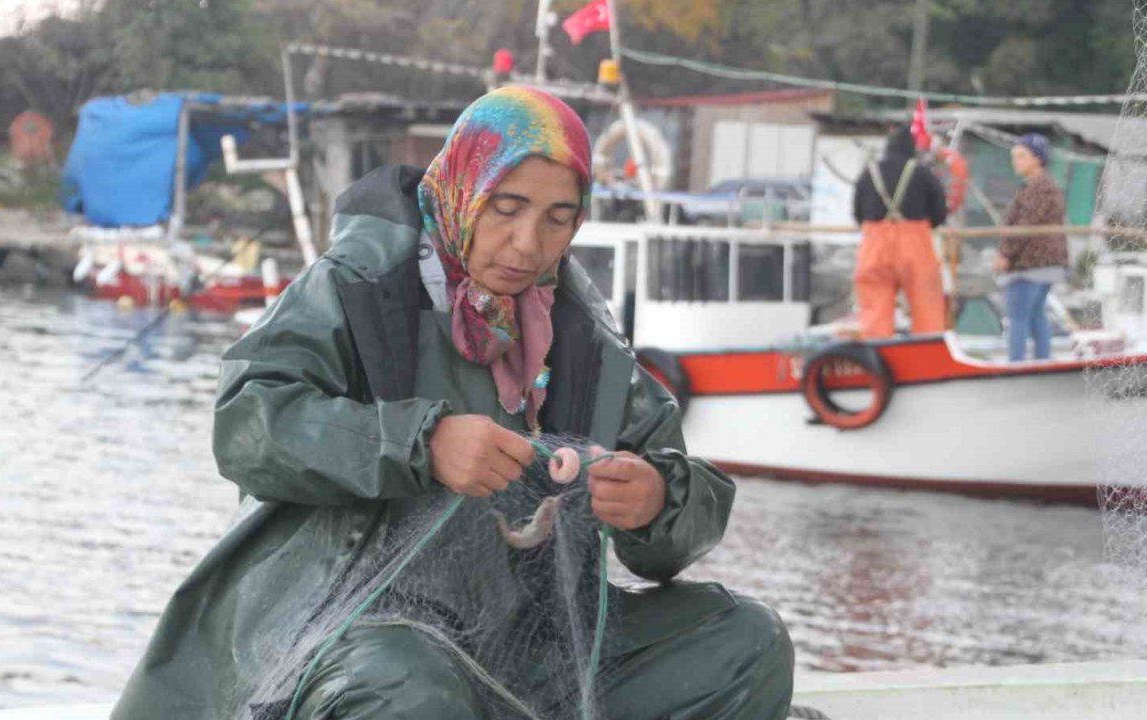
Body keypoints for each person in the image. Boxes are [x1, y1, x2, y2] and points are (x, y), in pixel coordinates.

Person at [110, 86, 793, 720]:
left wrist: (656, 502)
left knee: (746, 641)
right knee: (407, 688)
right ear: (464, 189)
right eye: (507, 208)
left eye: (558, 219)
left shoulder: (583, 334)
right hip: (356, 629)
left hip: (533, 647)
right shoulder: (360, 287)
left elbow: (684, 506)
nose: (528, 244)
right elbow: (246, 423)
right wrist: (422, 444)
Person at [852, 125, 949, 338]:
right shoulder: (923, 174)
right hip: (915, 244)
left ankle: (876, 350)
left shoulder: (868, 174)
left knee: (874, 306)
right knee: (926, 302)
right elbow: (940, 213)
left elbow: (857, 214)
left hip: (874, 244)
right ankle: (927, 348)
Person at [993, 133, 1068, 361]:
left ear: (1037, 159)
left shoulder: (1040, 188)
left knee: (1017, 318)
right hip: (1045, 263)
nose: (1016, 161)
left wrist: (1005, 253)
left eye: (1022, 156)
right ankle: (1042, 362)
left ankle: (1016, 365)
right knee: (1036, 316)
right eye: (1014, 156)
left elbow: (1026, 226)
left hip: (1031, 264)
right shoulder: (1037, 186)